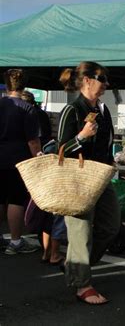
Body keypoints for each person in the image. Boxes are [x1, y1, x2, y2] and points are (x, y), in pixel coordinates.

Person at [58, 61, 120, 305]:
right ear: (86, 80)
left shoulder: (103, 110)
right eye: (101, 78)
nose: (106, 84)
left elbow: (106, 144)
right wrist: (81, 137)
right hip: (77, 179)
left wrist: (112, 161)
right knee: (81, 232)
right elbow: (59, 149)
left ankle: (76, 267)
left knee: (111, 226)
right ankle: (82, 283)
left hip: (101, 176)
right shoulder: (71, 110)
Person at [20, 90, 65, 265]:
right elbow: (42, 140)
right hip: (42, 162)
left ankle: (47, 253)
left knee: (43, 211)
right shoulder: (38, 115)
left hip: (24, 165)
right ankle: (52, 253)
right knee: (52, 211)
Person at [0, 69, 42, 255]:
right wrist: (38, 159)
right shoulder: (27, 108)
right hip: (18, 159)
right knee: (16, 200)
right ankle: (16, 242)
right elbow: (33, 140)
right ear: (24, 84)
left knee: (0, 199)